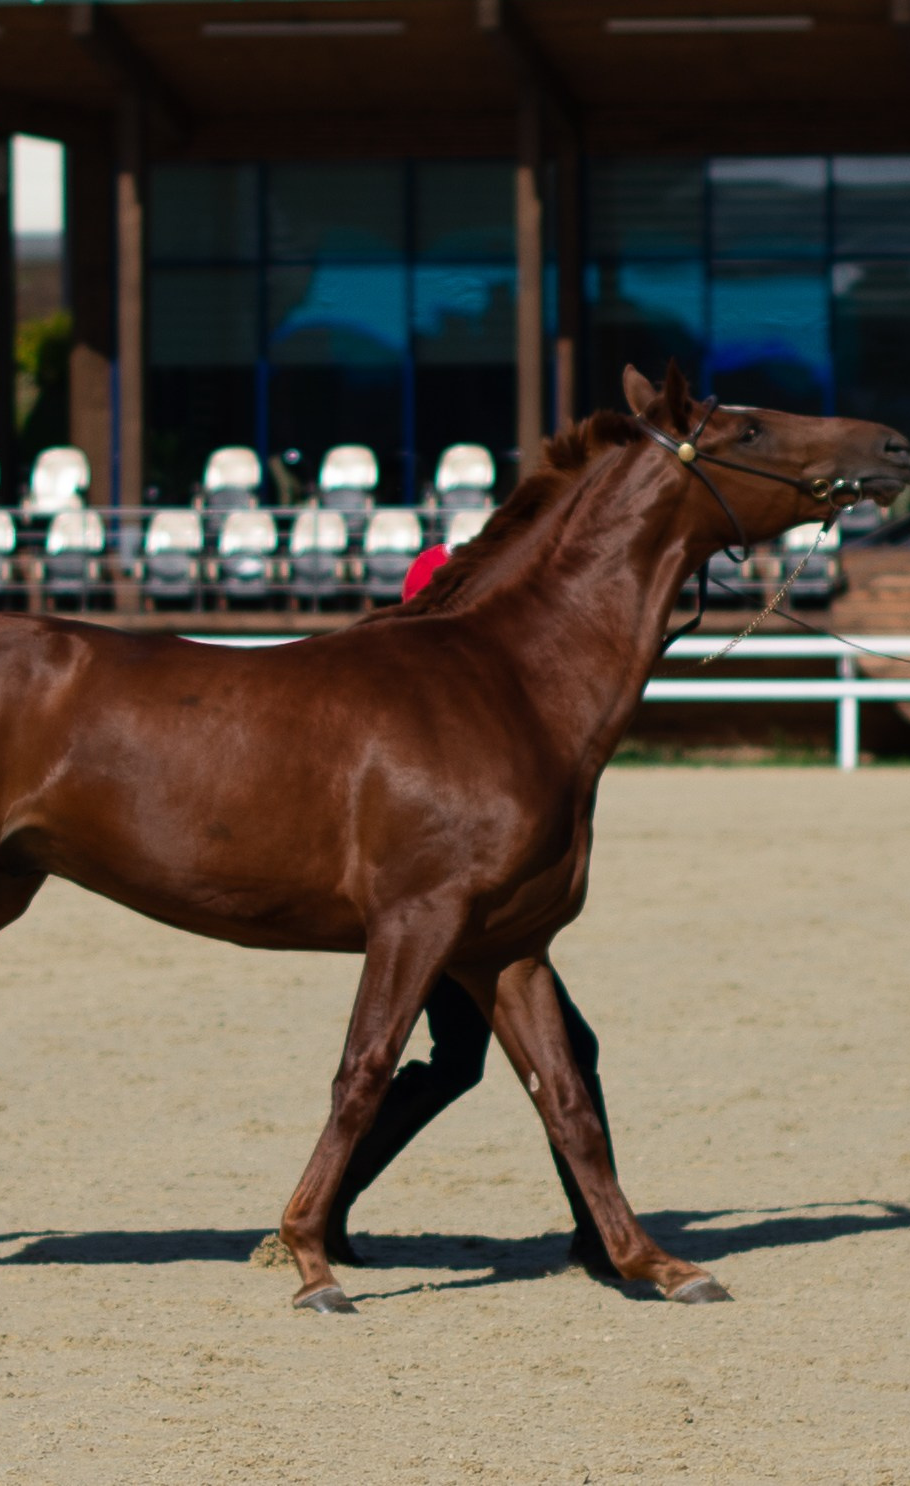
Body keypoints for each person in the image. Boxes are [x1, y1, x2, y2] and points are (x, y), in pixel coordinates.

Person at [325, 541, 622, 1276]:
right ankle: (597, 1235)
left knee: (462, 1060)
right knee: (534, 1052)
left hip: (453, 908)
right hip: (449, 914)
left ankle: (328, 1206)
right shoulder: (436, 693)